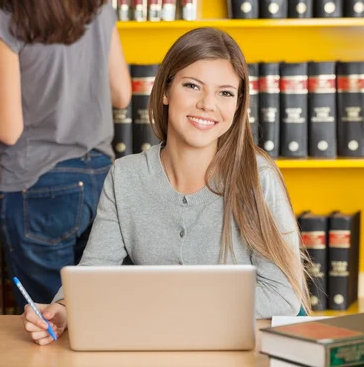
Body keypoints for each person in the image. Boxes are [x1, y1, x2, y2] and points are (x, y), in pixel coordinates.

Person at [20, 27, 310, 345]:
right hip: (163, 347)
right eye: (192, 86)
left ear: (238, 105)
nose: (207, 104)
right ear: (165, 91)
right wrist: (64, 309)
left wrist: (172, 304)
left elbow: (283, 296)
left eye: (225, 92)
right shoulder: (125, 176)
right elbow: (94, 272)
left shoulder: (259, 178)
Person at [0, 0, 132, 310]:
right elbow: (122, 94)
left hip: (39, 185)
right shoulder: (94, 2)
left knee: (48, 319)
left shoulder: (4, 15)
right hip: (101, 178)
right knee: (100, 312)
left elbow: (9, 130)